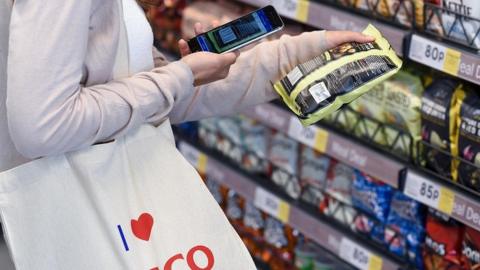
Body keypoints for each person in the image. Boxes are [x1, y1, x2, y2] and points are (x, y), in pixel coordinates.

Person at [0, 0, 373, 266]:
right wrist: (181, 75)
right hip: (69, 219)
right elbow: (44, 125)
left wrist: (296, 54)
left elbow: (147, 102)